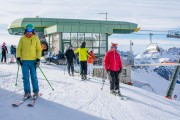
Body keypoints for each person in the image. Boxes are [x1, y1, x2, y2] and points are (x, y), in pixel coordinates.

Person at [16, 24, 41, 99]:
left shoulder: (36, 39)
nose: (28, 32)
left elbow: (38, 49)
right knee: (25, 77)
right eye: (27, 31)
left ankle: (36, 92)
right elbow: (19, 49)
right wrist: (18, 58)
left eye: (30, 31)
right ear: (25, 31)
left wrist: (38, 59)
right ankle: (27, 92)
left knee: (34, 77)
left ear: (33, 31)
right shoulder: (22, 39)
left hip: (33, 61)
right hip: (24, 61)